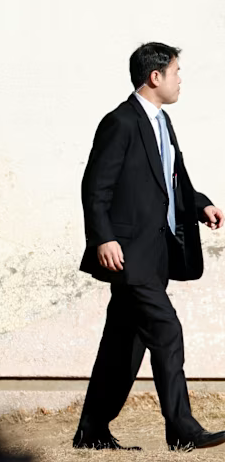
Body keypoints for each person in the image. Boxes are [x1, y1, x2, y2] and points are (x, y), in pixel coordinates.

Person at [76, 42, 225, 451]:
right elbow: (95, 187)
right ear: (155, 77)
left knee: (123, 346)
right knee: (166, 330)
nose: (180, 80)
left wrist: (201, 204)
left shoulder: (162, 122)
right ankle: (183, 429)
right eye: (176, 72)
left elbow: (170, 180)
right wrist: (103, 237)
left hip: (156, 255)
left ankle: (92, 431)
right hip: (127, 254)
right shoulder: (120, 122)